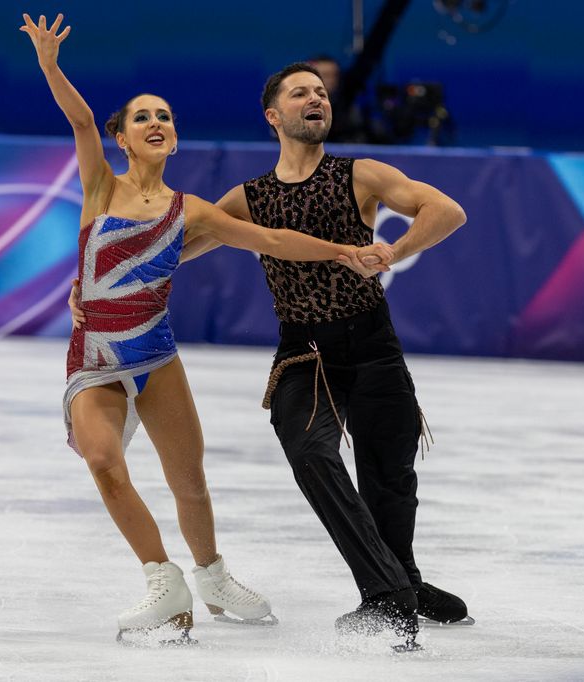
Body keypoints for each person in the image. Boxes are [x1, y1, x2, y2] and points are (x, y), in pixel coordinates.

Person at [20, 16, 393, 644]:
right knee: (105, 462)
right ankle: (163, 583)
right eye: (142, 117)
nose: (157, 122)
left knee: (188, 479)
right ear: (122, 137)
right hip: (96, 356)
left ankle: (213, 578)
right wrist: (51, 65)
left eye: (164, 115)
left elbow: (271, 239)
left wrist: (340, 251)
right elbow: (80, 121)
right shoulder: (99, 186)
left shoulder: (191, 210)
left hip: (157, 357)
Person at [180, 62, 471, 650]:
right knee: (311, 452)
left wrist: (394, 250)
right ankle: (391, 595)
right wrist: (105, 274)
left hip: (372, 343)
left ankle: (401, 583)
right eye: (300, 93)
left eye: (321, 92)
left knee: (390, 476)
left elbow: (446, 210)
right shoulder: (248, 198)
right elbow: (180, 250)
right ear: (274, 115)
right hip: (304, 352)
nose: (316, 98)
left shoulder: (360, 174)